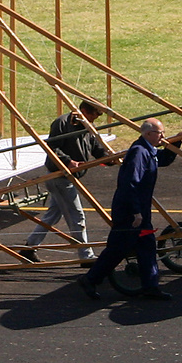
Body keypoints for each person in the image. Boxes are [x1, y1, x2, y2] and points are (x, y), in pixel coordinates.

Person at [78, 119, 182, 301]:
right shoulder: (139, 153)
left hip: (140, 209)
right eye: (160, 133)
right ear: (148, 134)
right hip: (129, 211)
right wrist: (136, 212)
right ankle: (90, 279)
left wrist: (178, 141)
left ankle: (151, 286)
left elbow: (164, 159)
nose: (163, 136)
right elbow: (129, 184)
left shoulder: (147, 150)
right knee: (118, 248)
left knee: (147, 246)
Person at [23, 100, 109, 262]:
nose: (93, 120)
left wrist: (109, 158)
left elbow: (96, 149)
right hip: (59, 177)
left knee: (52, 216)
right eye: (92, 115)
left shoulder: (87, 126)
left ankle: (29, 247)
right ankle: (86, 256)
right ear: (83, 110)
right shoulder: (61, 123)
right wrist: (68, 161)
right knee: (77, 216)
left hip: (69, 177)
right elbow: (51, 148)